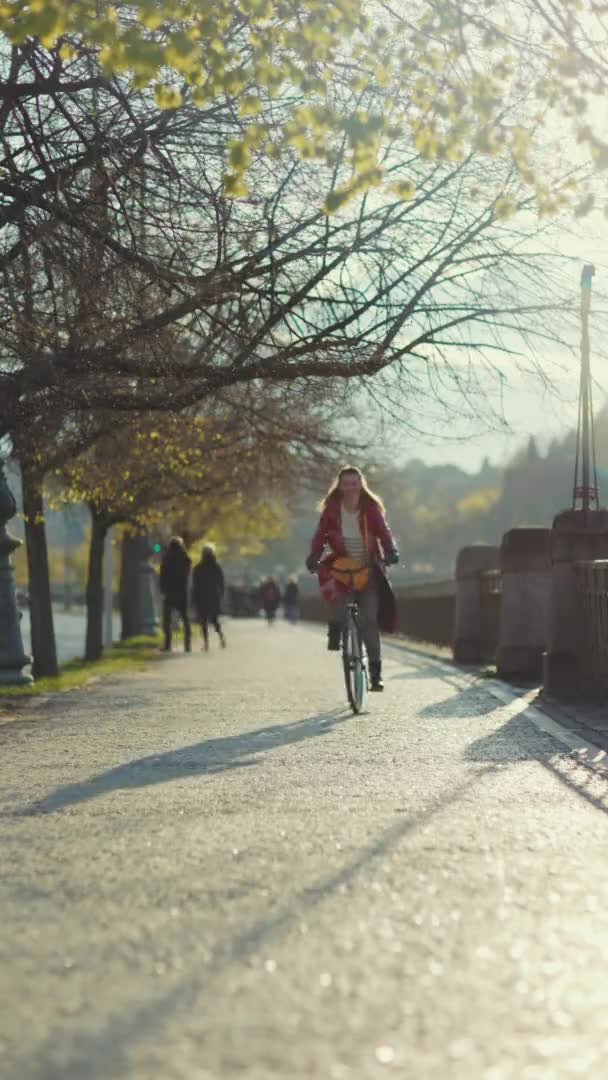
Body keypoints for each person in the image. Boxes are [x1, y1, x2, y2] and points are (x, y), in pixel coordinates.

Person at [305, 465, 399, 691]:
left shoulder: (370, 508)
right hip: (341, 567)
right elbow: (321, 534)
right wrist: (315, 554)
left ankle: (376, 675)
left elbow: (384, 532)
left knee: (369, 622)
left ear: (360, 484)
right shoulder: (331, 509)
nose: (350, 488)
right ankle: (335, 627)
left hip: (368, 570)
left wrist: (390, 550)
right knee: (336, 599)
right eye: (345, 483)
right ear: (340, 485)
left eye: (354, 483)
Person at [159, 536, 192, 652]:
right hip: (182, 592)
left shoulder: (166, 558)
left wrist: (162, 590)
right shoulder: (186, 558)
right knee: (185, 619)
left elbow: (162, 575)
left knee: (167, 620)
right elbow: (187, 574)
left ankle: (168, 645)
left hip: (169, 593)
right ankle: (187, 644)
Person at [191, 543, 226, 650]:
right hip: (213, 596)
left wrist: (193, 599)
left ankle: (206, 643)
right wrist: (221, 595)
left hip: (201, 597)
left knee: (203, 621)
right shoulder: (216, 566)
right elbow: (221, 582)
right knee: (215, 620)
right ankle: (221, 637)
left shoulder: (198, 567)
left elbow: (195, 585)